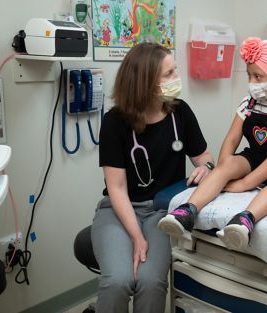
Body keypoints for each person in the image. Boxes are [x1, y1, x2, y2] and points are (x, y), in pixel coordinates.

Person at [91, 42, 214, 313]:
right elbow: (117, 188)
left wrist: (207, 167)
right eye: (168, 74)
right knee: (118, 281)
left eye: (175, 70)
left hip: (162, 212)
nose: (176, 79)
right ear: (145, 82)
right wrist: (137, 237)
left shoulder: (179, 112)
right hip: (118, 210)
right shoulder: (115, 122)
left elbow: (203, 156)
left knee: (150, 281)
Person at [158, 37, 267, 251]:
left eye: (258, 76)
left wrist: (244, 184)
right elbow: (231, 139)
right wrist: (223, 170)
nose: (252, 83)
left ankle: (245, 220)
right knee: (229, 164)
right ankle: (187, 211)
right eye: (249, 75)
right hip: (256, 156)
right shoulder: (249, 102)